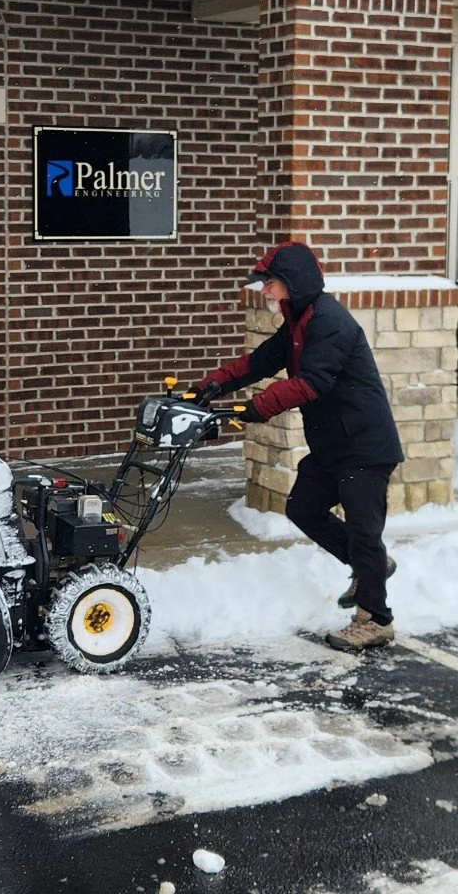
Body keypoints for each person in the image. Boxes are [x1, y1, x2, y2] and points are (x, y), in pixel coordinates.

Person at [195, 241, 403, 652]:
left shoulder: (331, 323)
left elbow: (312, 383)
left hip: (364, 446)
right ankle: (372, 567)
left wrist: (254, 408)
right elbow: (258, 362)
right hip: (332, 445)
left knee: (365, 533)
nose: (264, 291)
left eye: (269, 283)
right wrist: (208, 387)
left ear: (294, 283)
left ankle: (375, 620)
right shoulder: (297, 322)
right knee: (302, 507)